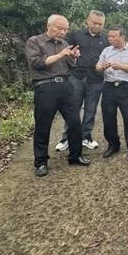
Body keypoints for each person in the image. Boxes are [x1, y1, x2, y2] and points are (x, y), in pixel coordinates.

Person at [25, 14, 91, 177]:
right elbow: (36, 63)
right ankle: (41, 162)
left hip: (66, 86)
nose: (63, 32)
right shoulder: (35, 41)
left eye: (65, 29)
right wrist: (61, 54)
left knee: (74, 122)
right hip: (45, 86)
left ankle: (75, 156)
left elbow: (71, 66)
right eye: (60, 28)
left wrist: (73, 58)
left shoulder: (65, 44)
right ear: (49, 26)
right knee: (43, 125)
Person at [55, 10, 108, 152]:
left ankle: (86, 137)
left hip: (96, 79)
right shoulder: (76, 34)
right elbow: (65, 50)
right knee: (72, 109)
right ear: (88, 21)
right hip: (76, 77)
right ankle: (66, 138)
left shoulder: (106, 39)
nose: (97, 26)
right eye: (94, 22)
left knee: (90, 110)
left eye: (100, 24)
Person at [95, 26, 128, 161]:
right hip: (108, 87)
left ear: (122, 37)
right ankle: (113, 145)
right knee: (108, 118)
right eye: (109, 36)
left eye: (113, 36)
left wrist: (120, 66)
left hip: (125, 87)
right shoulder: (106, 50)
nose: (110, 39)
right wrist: (101, 67)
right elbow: (97, 67)